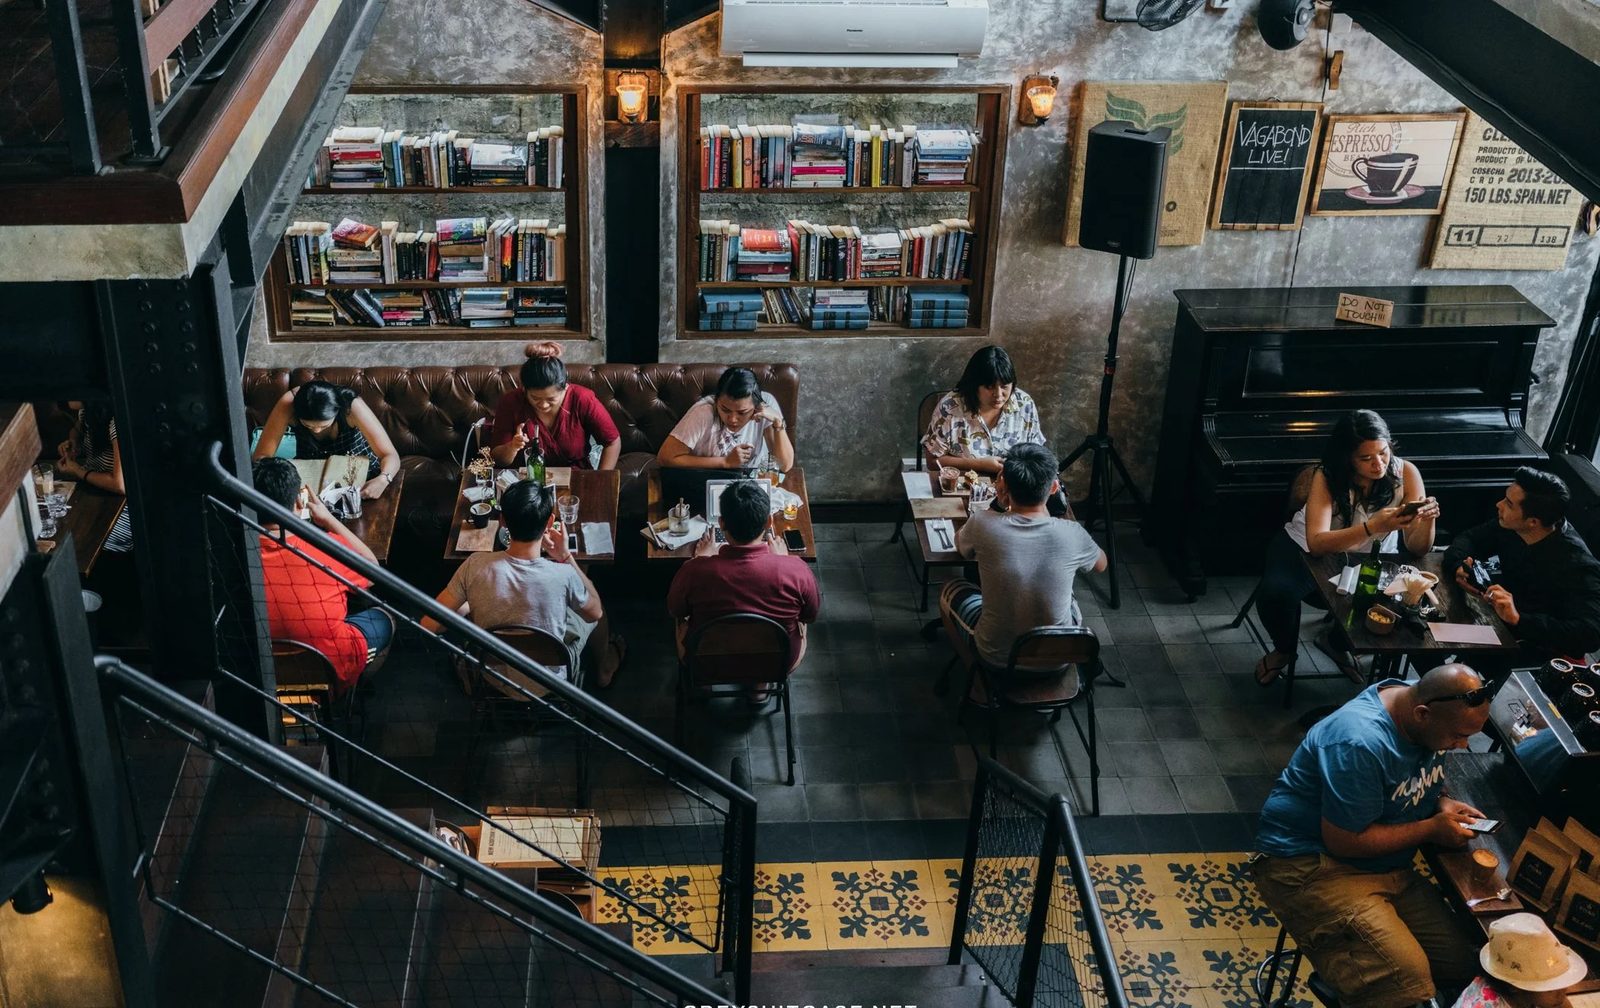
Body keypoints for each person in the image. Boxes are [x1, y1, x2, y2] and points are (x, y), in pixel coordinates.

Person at [1250, 663, 1490, 1008]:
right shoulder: (1359, 741)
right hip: (1307, 864)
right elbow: (1345, 840)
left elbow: (1418, 774)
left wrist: (1441, 802)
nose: (1463, 745)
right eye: (1457, 736)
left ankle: (1355, 970)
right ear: (1422, 714)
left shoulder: (1424, 701)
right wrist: (1430, 829)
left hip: (1384, 865)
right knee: (1406, 983)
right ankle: (1352, 979)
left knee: (1461, 964)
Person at [1251, 409, 1439, 686]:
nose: (1379, 464)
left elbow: (1418, 548)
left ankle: (1335, 643)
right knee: (1275, 594)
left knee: (1391, 602)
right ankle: (1284, 650)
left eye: (1383, 453)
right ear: (1347, 458)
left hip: (1368, 557)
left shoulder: (1406, 472)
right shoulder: (1326, 476)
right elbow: (1317, 543)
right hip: (1304, 549)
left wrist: (1427, 521)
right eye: (1366, 458)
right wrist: (1372, 527)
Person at [421, 480, 624, 689]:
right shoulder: (564, 575)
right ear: (549, 523)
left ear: (502, 522)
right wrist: (566, 558)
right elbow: (595, 612)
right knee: (596, 613)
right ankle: (603, 671)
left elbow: (429, 624)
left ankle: (467, 669)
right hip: (551, 683)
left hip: (494, 678)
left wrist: (468, 605)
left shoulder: (474, 566)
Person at [939, 444, 1106, 669]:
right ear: (1054, 487)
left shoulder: (983, 524)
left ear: (1003, 485)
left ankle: (978, 676)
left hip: (996, 658)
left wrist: (997, 504)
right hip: (1058, 659)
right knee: (1069, 597)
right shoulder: (1072, 533)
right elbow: (1101, 565)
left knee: (951, 590)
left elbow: (961, 546)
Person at [667, 480, 820, 700]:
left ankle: (704, 685)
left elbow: (675, 610)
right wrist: (784, 561)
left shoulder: (694, 571)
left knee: (682, 624)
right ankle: (759, 687)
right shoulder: (796, 569)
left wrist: (701, 560)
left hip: (707, 660)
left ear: (721, 523)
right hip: (777, 661)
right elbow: (810, 615)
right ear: (768, 521)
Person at [253, 457, 393, 690]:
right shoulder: (322, 548)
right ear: (299, 501)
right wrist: (328, 520)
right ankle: (354, 685)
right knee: (385, 618)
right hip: (328, 673)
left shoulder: (236, 553)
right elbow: (372, 570)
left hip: (260, 676)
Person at [1442, 467, 1600, 665]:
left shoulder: (1579, 565)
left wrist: (1519, 619)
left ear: (1533, 522)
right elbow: (1470, 538)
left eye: (1508, 504)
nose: (1498, 504)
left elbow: (1591, 633)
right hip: (1501, 625)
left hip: (1542, 652)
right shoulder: (1511, 525)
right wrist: (1459, 566)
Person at [252, 380, 401, 500]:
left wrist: (383, 479)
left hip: (359, 476)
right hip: (311, 479)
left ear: (337, 411)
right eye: (307, 425)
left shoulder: (351, 405)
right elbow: (261, 458)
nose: (316, 430)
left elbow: (390, 454)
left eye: (324, 425)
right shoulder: (288, 403)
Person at [487, 341, 621, 470]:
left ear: (565, 388)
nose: (544, 405)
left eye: (551, 399)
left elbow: (612, 442)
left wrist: (601, 480)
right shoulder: (511, 402)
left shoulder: (582, 398)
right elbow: (498, 459)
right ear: (524, 390)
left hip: (575, 476)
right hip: (527, 479)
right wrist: (512, 447)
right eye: (535, 398)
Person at [923, 345, 1045, 476]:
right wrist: (979, 464)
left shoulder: (1024, 404)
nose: (998, 395)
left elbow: (1036, 454)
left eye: (1004, 386)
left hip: (1012, 487)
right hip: (963, 486)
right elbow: (932, 461)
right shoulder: (951, 408)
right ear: (974, 384)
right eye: (989, 387)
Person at [657, 367, 794, 473]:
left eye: (742, 412)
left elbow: (785, 466)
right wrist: (726, 462)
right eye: (725, 410)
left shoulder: (766, 404)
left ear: (756, 407)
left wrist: (778, 423)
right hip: (710, 477)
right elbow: (665, 457)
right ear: (716, 401)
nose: (733, 419)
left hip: (752, 481)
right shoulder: (704, 411)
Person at [53, 400, 132, 553]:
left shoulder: (117, 421)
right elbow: (76, 429)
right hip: (95, 493)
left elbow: (120, 484)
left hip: (121, 507)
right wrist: (73, 442)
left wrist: (78, 471)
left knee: (67, 539)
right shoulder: (89, 411)